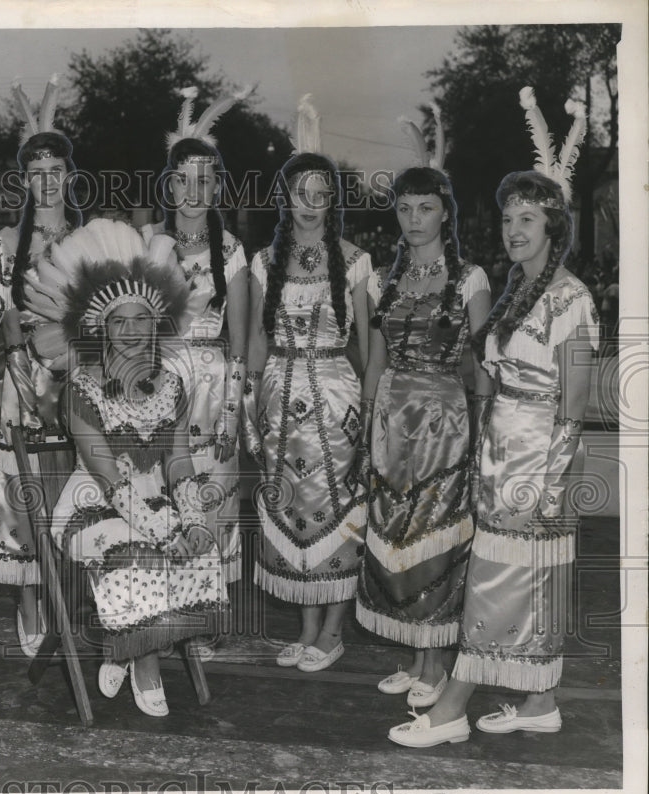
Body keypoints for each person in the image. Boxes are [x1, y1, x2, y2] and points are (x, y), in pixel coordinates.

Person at [389, 89, 598, 747]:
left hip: (535, 468)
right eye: (509, 219)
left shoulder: (573, 300)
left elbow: (573, 406)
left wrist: (547, 489)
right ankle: (538, 698)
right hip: (499, 454)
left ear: (553, 227)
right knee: (525, 588)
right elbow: (491, 380)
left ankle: (451, 707)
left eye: (528, 220)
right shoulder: (514, 297)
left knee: (494, 586)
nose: (513, 230)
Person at [24, 218, 228, 717]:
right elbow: (106, 475)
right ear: (99, 326)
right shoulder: (81, 388)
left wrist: (193, 518)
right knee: (137, 551)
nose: (132, 332)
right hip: (92, 504)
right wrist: (161, 527)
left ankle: (131, 639)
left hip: (155, 494)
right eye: (120, 321)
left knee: (200, 543)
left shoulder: (172, 386)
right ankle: (145, 660)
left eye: (142, 320)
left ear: (157, 322)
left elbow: (179, 461)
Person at [354, 106, 493, 711]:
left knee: (437, 536)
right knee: (398, 536)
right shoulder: (387, 279)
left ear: (444, 214)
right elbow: (377, 359)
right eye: (405, 209)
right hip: (394, 420)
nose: (414, 220)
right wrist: (369, 415)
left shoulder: (471, 279)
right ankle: (419, 655)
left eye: (425, 209)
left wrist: (482, 427)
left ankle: (436, 666)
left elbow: (485, 365)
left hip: (444, 423)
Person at [242, 96, 371, 673]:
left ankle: (333, 631)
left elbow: (366, 345)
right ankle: (306, 626)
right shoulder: (264, 260)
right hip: (279, 397)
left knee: (337, 507)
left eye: (322, 195)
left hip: (336, 396)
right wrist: (247, 400)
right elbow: (257, 342)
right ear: (286, 198)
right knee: (290, 505)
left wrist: (373, 405)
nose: (312, 205)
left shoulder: (356, 260)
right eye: (302, 193)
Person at [140, 88, 251, 632]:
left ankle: (208, 616)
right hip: (158, 381)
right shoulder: (147, 242)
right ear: (169, 184)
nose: (193, 191)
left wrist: (235, 409)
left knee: (211, 490)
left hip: (211, 384)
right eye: (182, 179)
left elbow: (244, 335)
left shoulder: (229, 248)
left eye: (204, 181)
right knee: (159, 492)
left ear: (216, 187)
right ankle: (161, 609)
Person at [0, 75, 82, 656]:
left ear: (68, 176)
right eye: (36, 172)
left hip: (77, 374)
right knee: (21, 488)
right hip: (25, 374)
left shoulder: (86, 235)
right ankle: (27, 600)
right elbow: (2, 313)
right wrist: (21, 360)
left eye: (56, 171)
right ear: (25, 179)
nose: (46, 182)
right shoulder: (4, 239)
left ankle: (62, 594)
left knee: (73, 483)